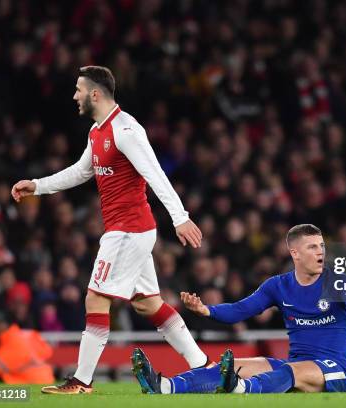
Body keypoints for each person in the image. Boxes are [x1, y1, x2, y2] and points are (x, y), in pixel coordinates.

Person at [11, 66, 208, 394]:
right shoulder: (97, 132)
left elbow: (155, 173)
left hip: (128, 231)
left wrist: (180, 217)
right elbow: (81, 171)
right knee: (148, 304)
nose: (74, 96)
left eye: (78, 90)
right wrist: (37, 185)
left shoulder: (126, 130)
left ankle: (81, 381)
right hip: (129, 230)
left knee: (95, 299)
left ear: (95, 94)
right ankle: (202, 365)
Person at [131, 224, 346, 394]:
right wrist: (207, 310)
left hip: (333, 370)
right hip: (295, 365)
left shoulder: (338, 281)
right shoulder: (278, 285)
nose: (321, 252)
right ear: (295, 253)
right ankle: (165, 386)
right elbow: (241, 310)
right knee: (227, 366)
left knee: (287, 371)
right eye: (313, 247)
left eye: (322, 246)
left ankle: (241, 388)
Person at [0, 310, 55, 384]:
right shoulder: (23, 334)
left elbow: (2, 366)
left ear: (7, 324)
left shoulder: (13, 339)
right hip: (43, 377)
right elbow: (47, 351)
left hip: (32, 380)